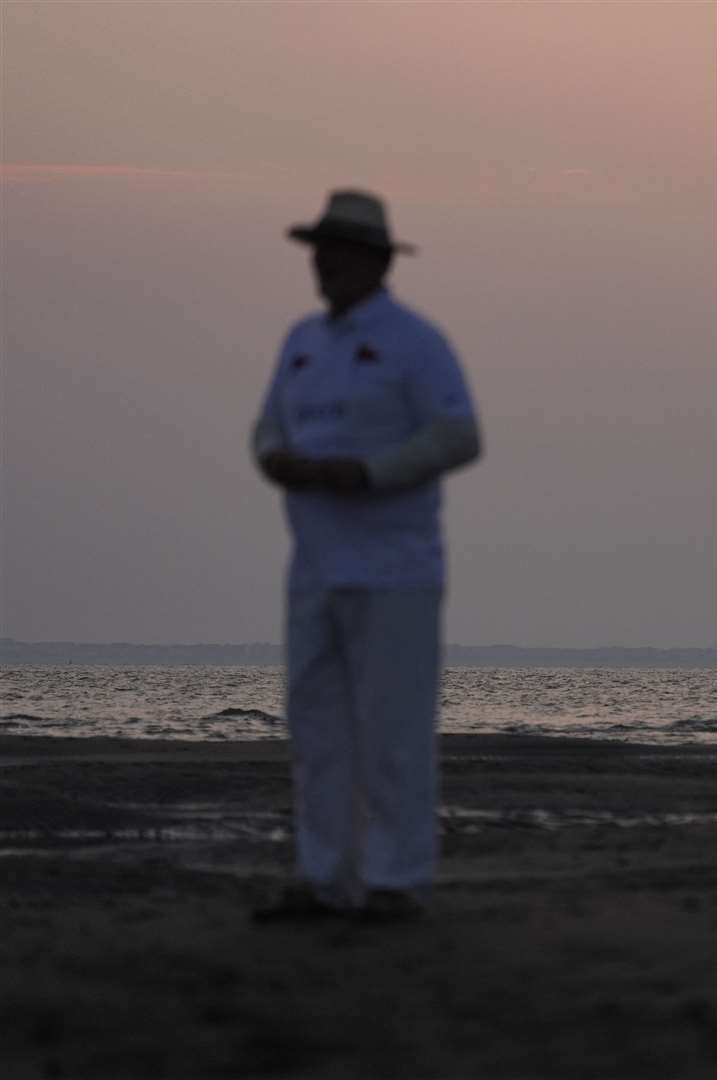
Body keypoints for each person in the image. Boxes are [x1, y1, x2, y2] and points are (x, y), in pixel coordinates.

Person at [251, 189, 482, 924]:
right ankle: (327, 879)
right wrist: (279, 462)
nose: (323, 264)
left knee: (392, 733)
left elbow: (457, 435)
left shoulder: (416, 341)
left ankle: (395, 883)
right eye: (318, 250)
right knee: (318, 732)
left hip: (394, 570)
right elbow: (265, 430)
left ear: (374, 260)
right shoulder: (301, 342)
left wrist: (367, 473)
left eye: (337, 251)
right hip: (314, 565)